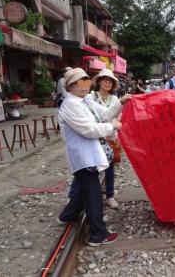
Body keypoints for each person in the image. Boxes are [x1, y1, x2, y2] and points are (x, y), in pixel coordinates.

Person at [58, 67, 131, 246]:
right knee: (93, 194)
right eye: (79, 83)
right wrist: (112, 127)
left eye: (85, 81)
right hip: (84, 157)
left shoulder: (86, 100)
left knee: (85, 190)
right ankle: (98, 235)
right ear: (70, 86)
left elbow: (104, 114)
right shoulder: (70, 105)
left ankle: (67, 216)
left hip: (90, 155)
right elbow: (88, 129)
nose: (84, 85)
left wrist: (121, 102)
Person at [91, 69, 122, 209]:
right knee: (91, 168)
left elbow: (118, 118)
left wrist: (116, 136)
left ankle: (109, 195)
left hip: (110, 137)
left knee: (109, 169)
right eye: (104, 79)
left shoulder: (115, 99)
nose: (107, 82)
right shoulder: (91, 97)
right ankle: (81, 196)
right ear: (98, 81)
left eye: (110, 80)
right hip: (95, 137)